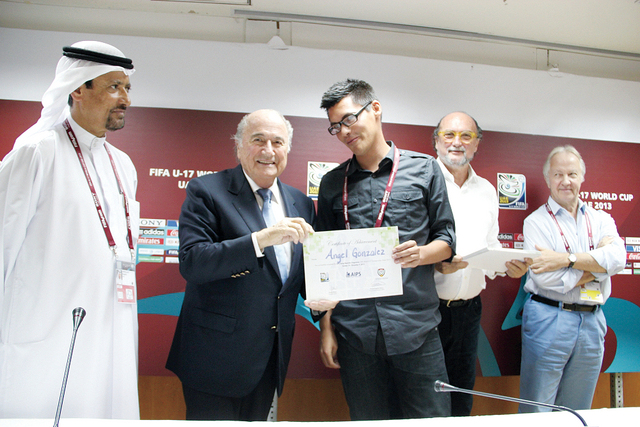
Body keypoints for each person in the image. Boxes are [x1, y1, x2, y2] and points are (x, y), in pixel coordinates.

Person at [0, 41, 140, 419]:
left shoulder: (123, 165)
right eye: (113, 87)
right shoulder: (36, 152)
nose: (125, 98)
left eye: (127, 88)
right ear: (77, 89)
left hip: (111, 324)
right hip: (48, 326)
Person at [166, 109, 334, 421]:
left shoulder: (300, 202)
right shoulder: (206, 191)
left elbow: (297, 277)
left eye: (278, 142)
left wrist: (322, 298)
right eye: (258, 140)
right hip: (214, 360)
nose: (269, 150)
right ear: (239, 145)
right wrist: (261, 239)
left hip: (269, 359)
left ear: (287, 149)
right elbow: (194, 262)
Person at [316, 79, 456, 420]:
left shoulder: (424, 168)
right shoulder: (333, 182)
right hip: (355, 333)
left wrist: (422, 254)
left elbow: (447, 240)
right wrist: (326, 328)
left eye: (349, 119)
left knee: (432, 420)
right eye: (336, 127)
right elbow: (323, 266)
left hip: (416, 328)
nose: (344, 131)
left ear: (375, 109)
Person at [431, 112, 530, 416]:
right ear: (436, 141)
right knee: (425, 398)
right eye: (449, 134)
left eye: (466, 136)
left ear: (477, 144)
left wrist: (506, 265)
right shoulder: (421, 182)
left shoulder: (487, 190)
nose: (457, 142)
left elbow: (490, 245)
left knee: (461, 396)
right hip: (425, 311)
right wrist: (435, 265)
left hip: (469, 311)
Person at [519, 145, 626, 412]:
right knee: (537, 410)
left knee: (577, 411)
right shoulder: (536, 222)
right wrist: (598, 266)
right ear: (548, 179)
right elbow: (547, 279)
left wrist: (565, 260)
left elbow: (617, 259)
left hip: (592, 321)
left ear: (582, 177)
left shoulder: (601, 219)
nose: (566, 181)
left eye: (572, 174)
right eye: (558, 174)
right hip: (549, 317)